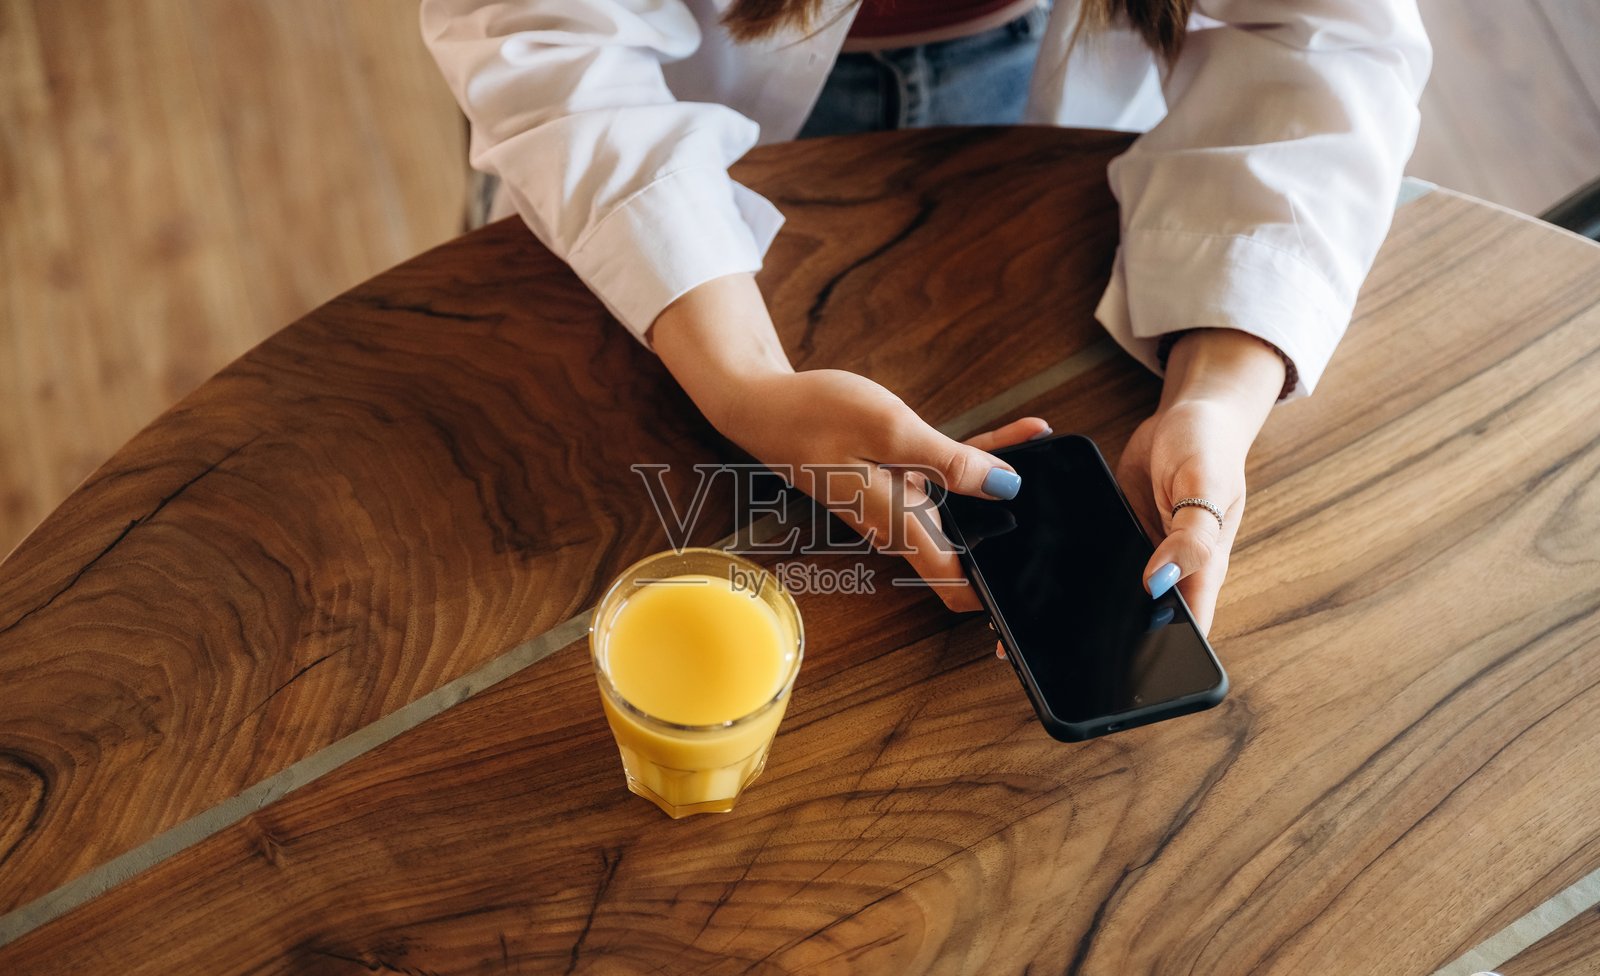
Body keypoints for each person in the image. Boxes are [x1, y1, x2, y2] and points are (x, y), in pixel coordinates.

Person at [421, 0, 1430, 634]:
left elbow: (1327, 37)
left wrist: (1214, 394)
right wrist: (741, 383)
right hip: (665, 93)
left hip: (1039, 78)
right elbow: (540, 33)